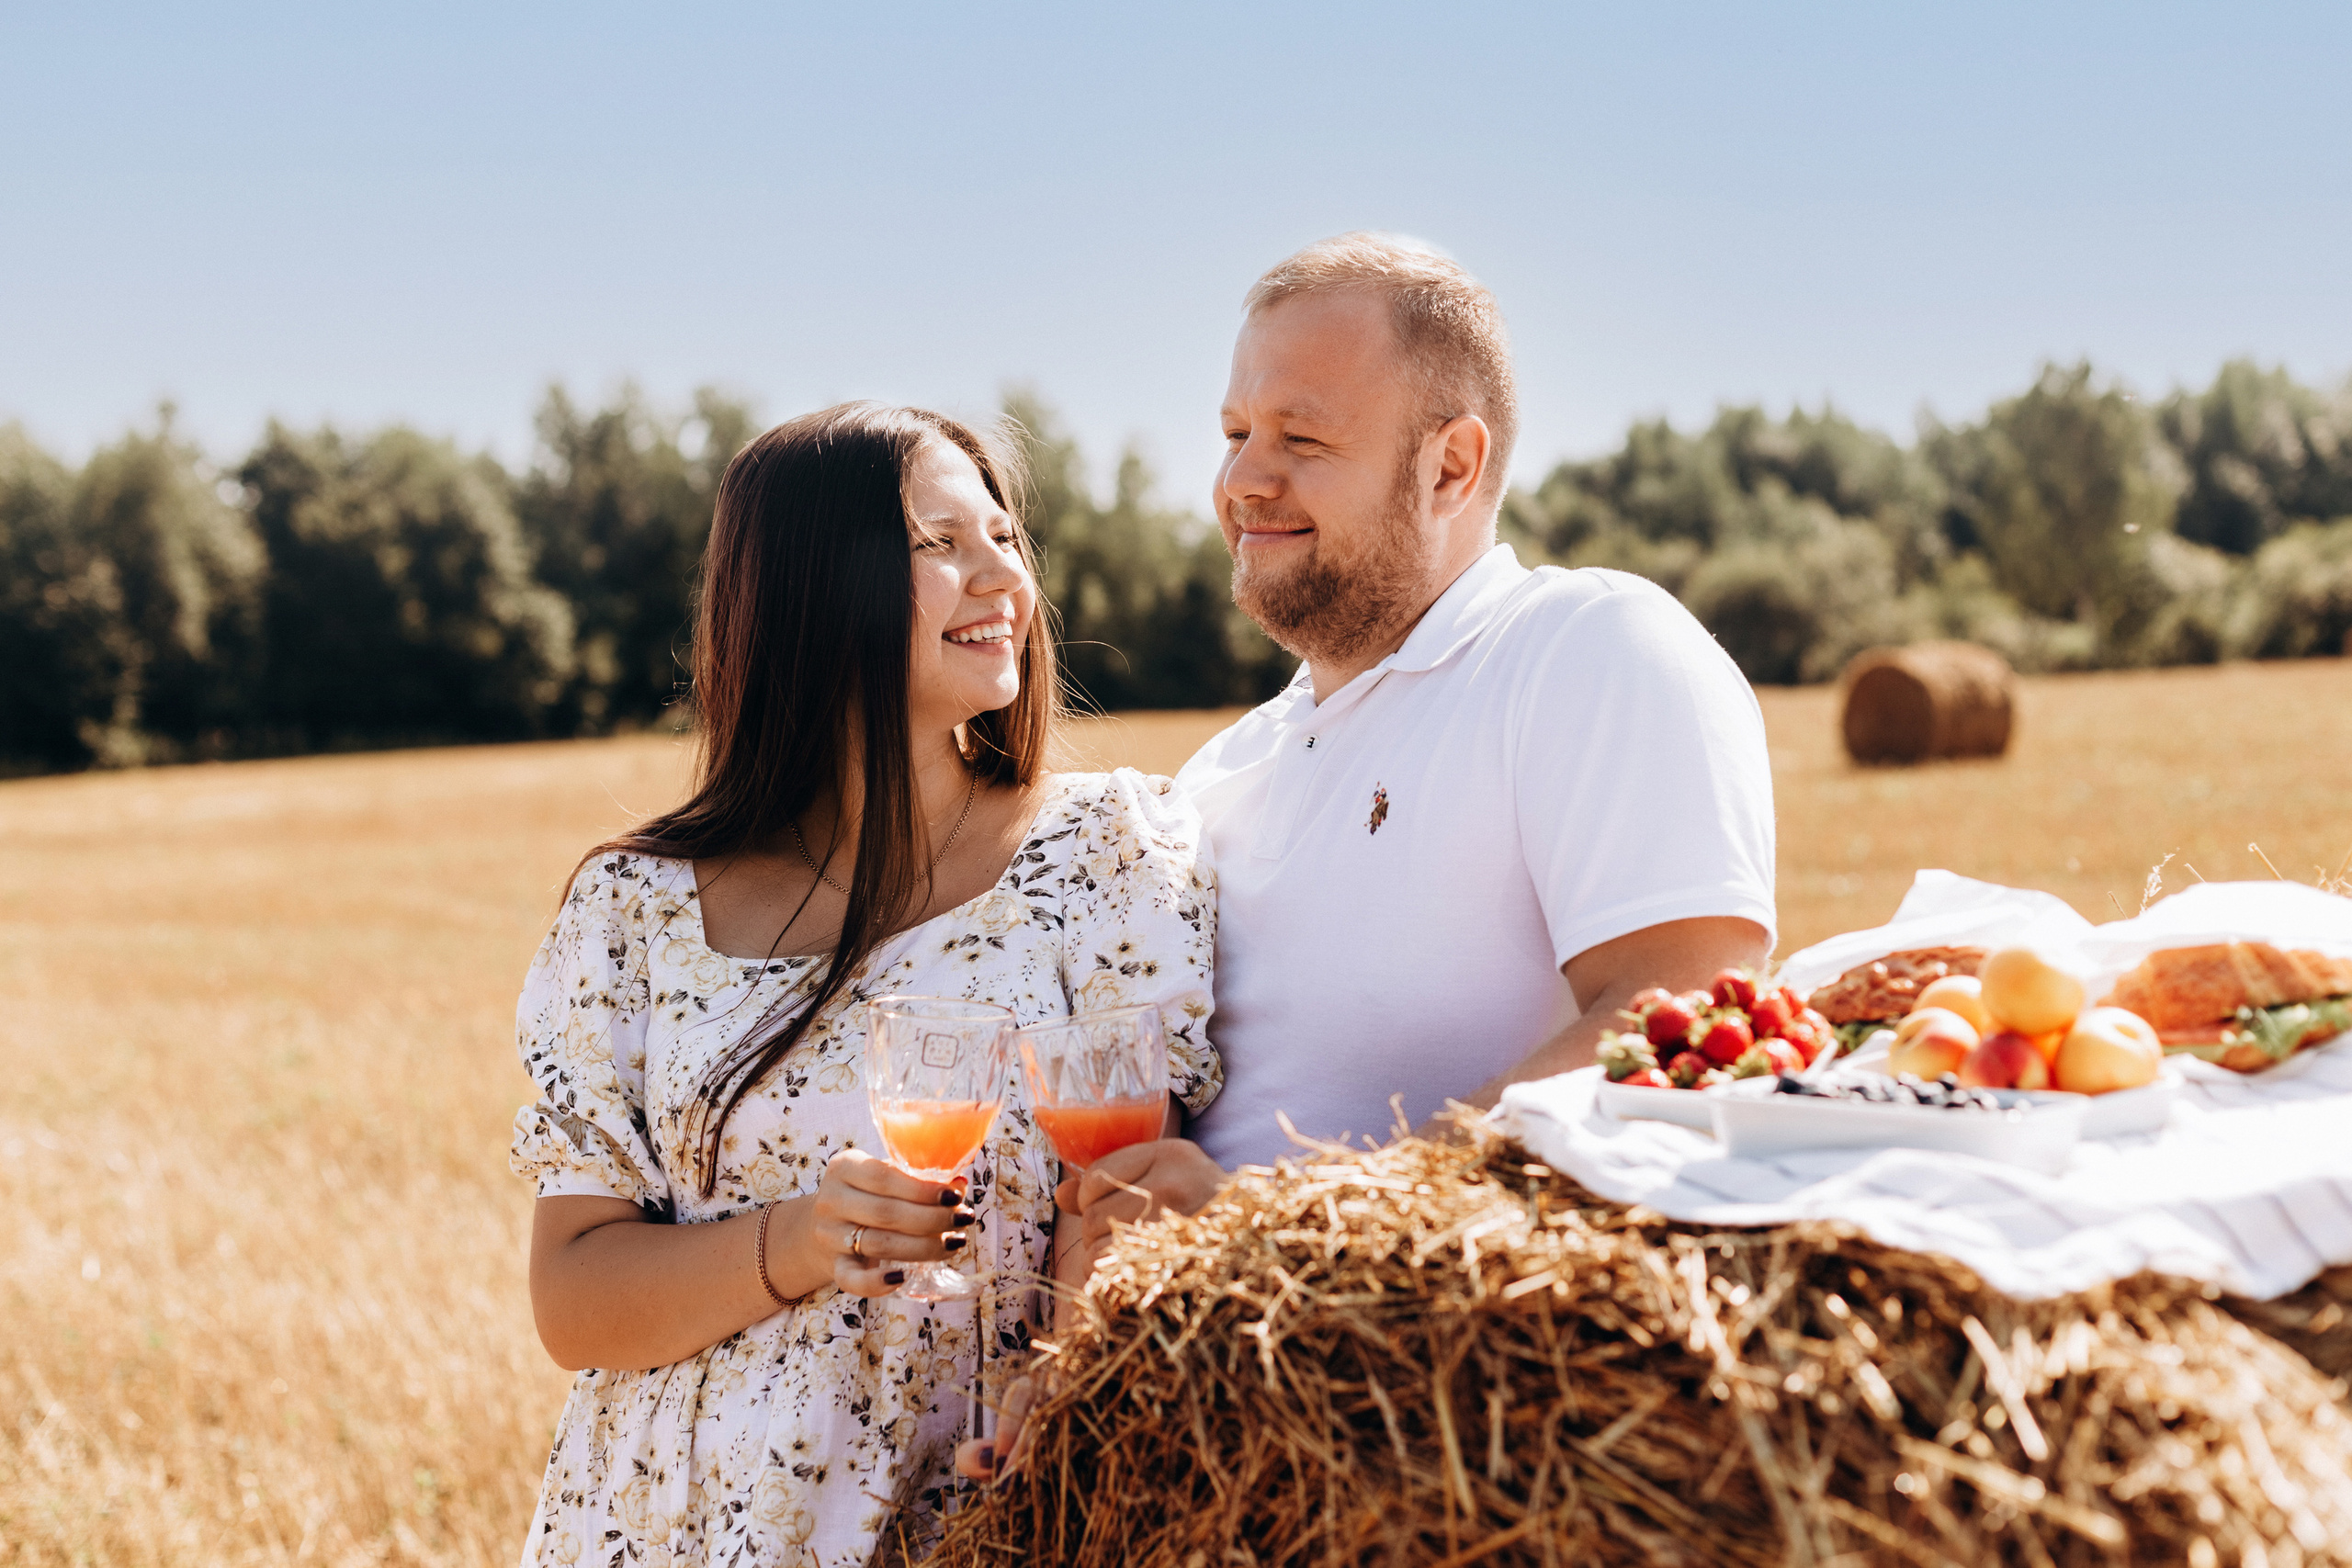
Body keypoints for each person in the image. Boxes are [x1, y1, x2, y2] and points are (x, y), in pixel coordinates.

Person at [963, 233, 1774, 1480]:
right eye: (1234, 431)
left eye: (1302, 436)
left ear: (1453, 462)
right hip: (1215, 1428)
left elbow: (1684, 1008)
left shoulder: (1584, 647)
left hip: (1460, 1417)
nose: (1245, 478)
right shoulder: (1220, 773)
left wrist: (1282, 1234)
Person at [507, 402, 1219, 1566]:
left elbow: (1124, 1206)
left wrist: (1062, 1374)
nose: (1003, 577)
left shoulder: (1106, 858)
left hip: (980, 1517)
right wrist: (797, 1240)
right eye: (942, 545)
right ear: (807, 591)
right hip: (662, 1527)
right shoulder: (635, 910)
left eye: (1005, 537)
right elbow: (574, 1298)